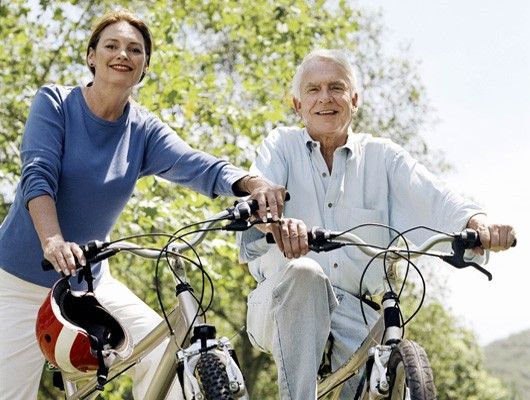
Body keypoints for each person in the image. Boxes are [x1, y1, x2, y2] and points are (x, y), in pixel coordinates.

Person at [0, 9, 286, 400]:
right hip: (17, 283)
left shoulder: (143, 129)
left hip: (89, 286)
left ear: (145, 65)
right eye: (112, 45)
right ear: (91, 56)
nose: (123, 54)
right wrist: (52, 241)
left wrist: (251, 182)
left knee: (162, 354)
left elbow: (196, 163)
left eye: (135, 50)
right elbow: (38, 174)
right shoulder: (55, 103)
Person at [238, 48, 516, 400]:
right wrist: (275, 224)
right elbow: (260, 198)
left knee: (382, 359)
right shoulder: (280, 145)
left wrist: (479, 223)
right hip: (282, 301)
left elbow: (437, 197)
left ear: (354, 100)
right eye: (313, 89)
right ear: (297, 104)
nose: (326, 98)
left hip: (356, 309)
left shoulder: (382, 157)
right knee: (305, 273)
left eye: (336, 88)